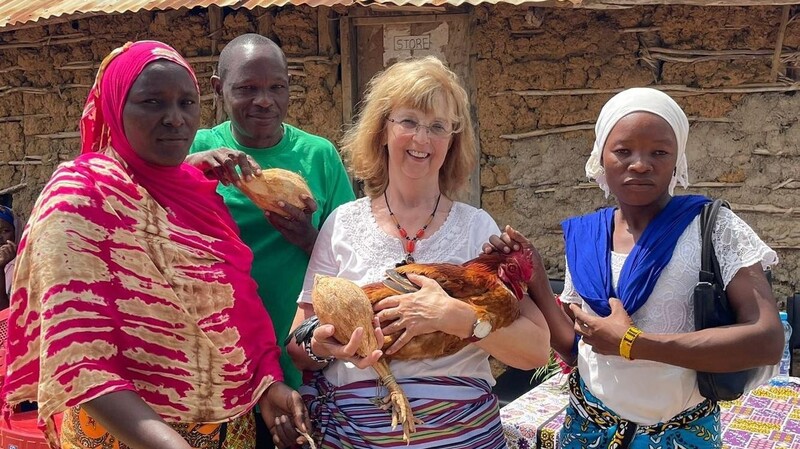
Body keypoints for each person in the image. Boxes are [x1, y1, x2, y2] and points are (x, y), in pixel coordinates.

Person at [1, 40, 310, 449]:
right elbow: (79, 357)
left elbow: (235, 310)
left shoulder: (198, 196)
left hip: (226, 431)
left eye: (187, 103)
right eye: (152, 102)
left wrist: (267, 384)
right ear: (115, 108)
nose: (175, 119)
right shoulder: (82, 196)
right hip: (122, 437)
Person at [487, 87, 784, 449]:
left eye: (659, 151)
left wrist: (634, 344)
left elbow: (767, 340)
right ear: (601, 158)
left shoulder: (714, 227)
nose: (641, 163)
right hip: (589, 429)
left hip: (679, 434)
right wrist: (532, 275)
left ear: (677, 160)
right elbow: (575, 347)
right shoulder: (587, 238)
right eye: (623, 151)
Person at [286, 56, 550, 449]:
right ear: (382, 131)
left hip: (463, 436)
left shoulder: (478, 228)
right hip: (358, 435)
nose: (422, 140)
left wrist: (457, 318)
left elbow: (535, 351)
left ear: (452, 141)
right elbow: (297, 342)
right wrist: (322, 345)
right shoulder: (342, 223)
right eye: (408, 121)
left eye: (438, 127)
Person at [186, 33, 355, 397]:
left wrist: (309, 238)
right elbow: (138, 209)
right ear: (218, 88)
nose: (264, 101)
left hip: (301, 354)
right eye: (247, 88)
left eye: (276, 87)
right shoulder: (197, 149)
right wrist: (187, 169)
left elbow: (353, 261)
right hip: (218, 355)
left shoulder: (318, 156)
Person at [0, 205, 20, 309]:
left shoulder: (24, 266)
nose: (0, 238)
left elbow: (5, 312)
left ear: (16, 232)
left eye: (5, 231)